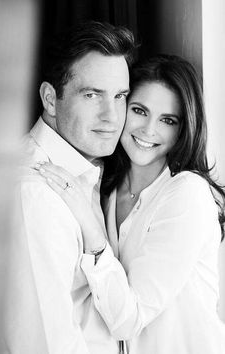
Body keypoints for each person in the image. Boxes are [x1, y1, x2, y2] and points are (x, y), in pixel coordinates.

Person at [37, 54, 225, 354]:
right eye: (139, 110)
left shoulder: (187, 194)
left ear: (183, 129)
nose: (149, 130)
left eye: (168, 120)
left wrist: (92, 233)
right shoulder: (108, 188)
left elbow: (128, 320)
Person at [12, 21, 136, 354]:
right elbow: (43, 343)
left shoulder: (86, 171)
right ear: (50, 99)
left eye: (120, 97)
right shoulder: (35, 194)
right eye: (92, 95)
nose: (112, 116)